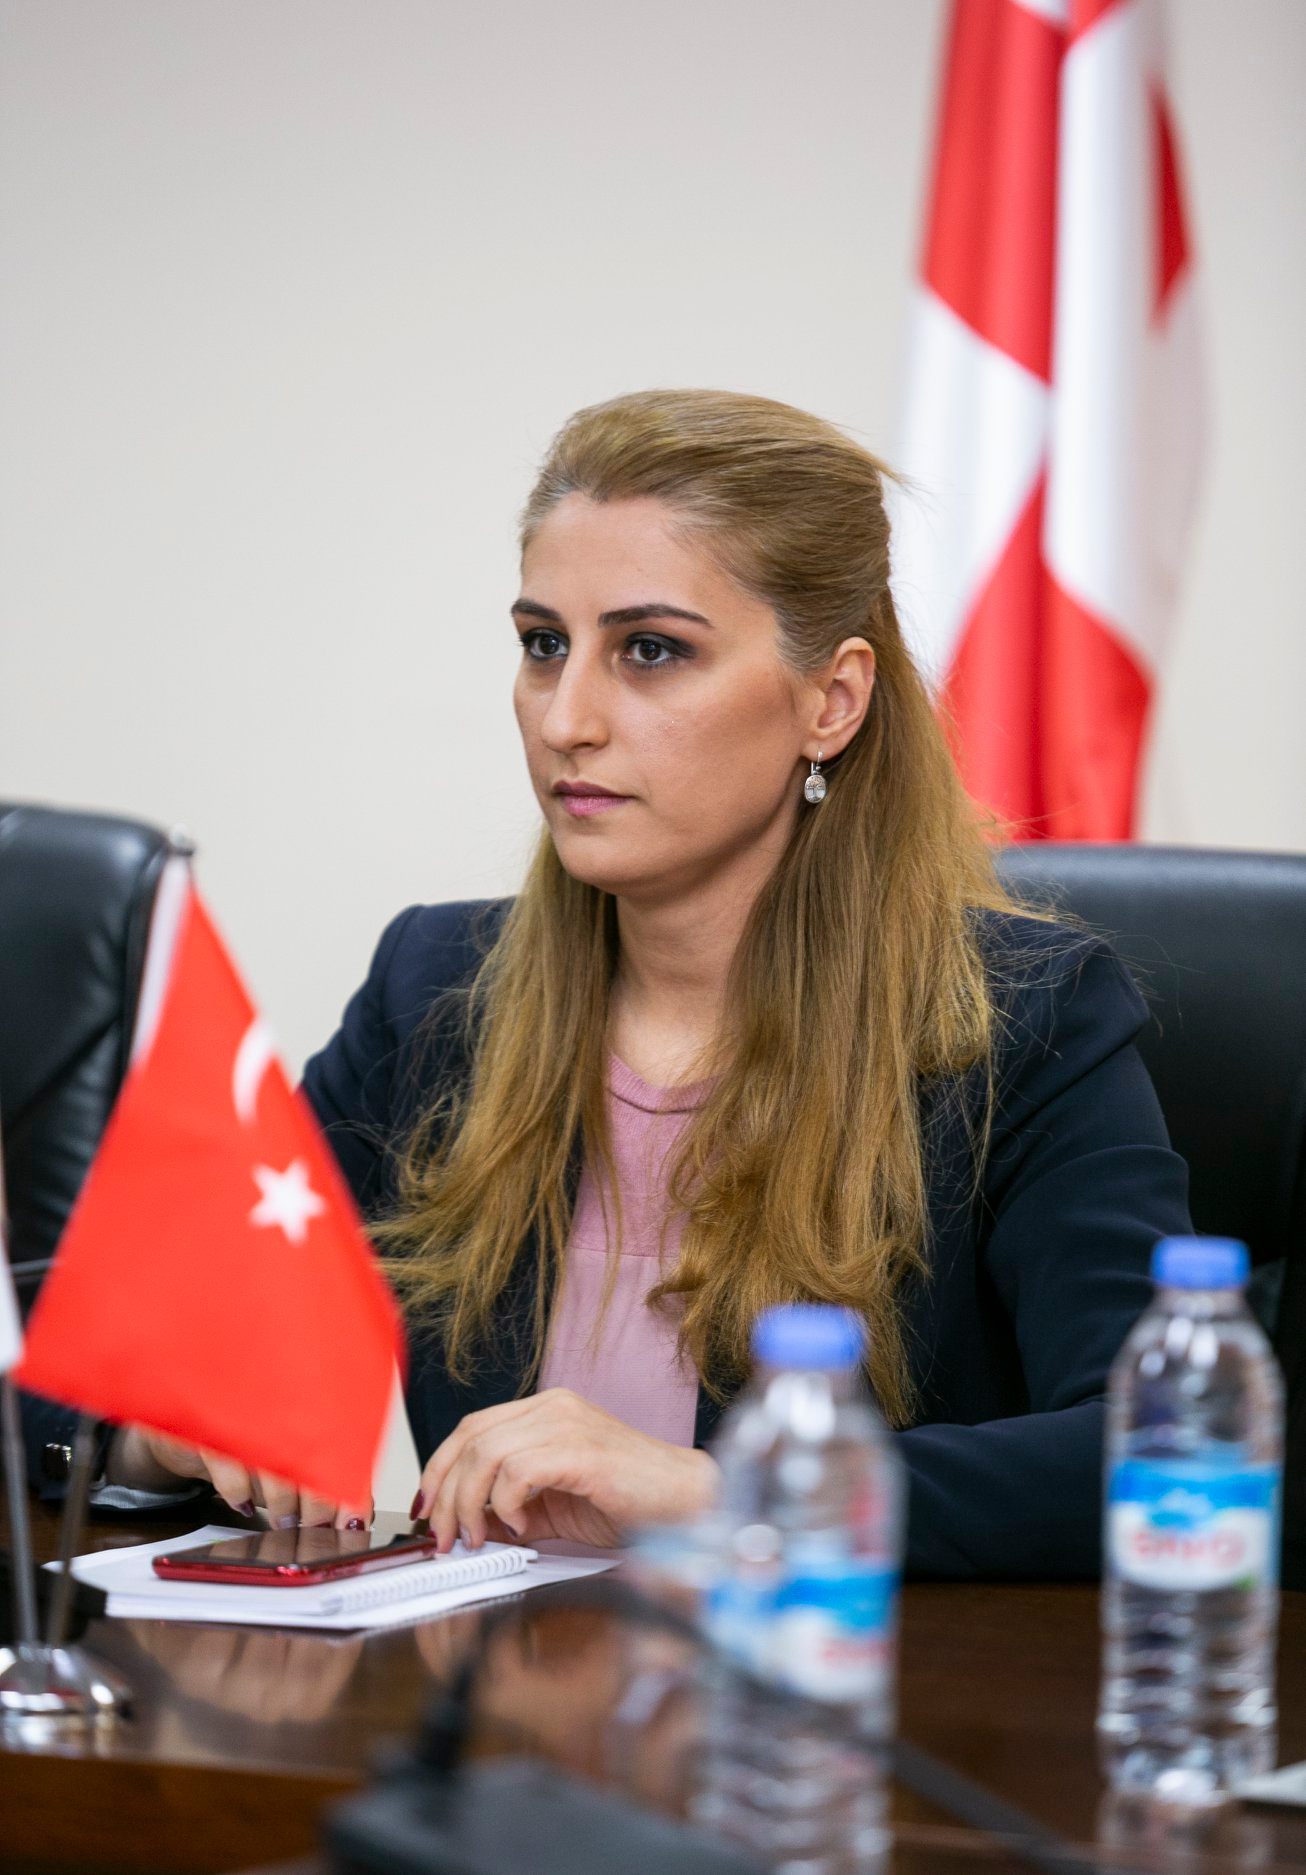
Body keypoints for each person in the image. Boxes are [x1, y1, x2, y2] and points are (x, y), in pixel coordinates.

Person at [91, 389, 1191, 1575]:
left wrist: (724, 1491)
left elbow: (1160, 1452)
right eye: (543, 645)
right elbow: (87, 1358)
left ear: (831, 701)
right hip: (496, 1683)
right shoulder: (436, 992)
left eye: (651, 651)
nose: (566, 720)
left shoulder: (1028, 1020)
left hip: (828, 1684)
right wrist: (160, 1431)